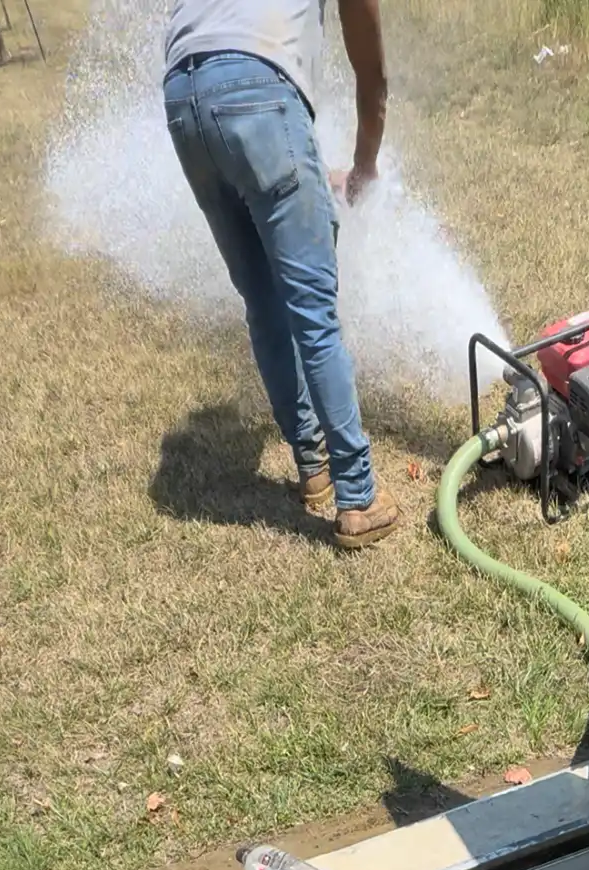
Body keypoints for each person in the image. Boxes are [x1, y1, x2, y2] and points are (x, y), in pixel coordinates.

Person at [162, 0, 399, 550]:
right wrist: (365, 167)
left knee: (262, 299)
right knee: (312, 310)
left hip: (181, 96)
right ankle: (359, 497)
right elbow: (372, 71)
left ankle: (312, 465)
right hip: (257, 92)